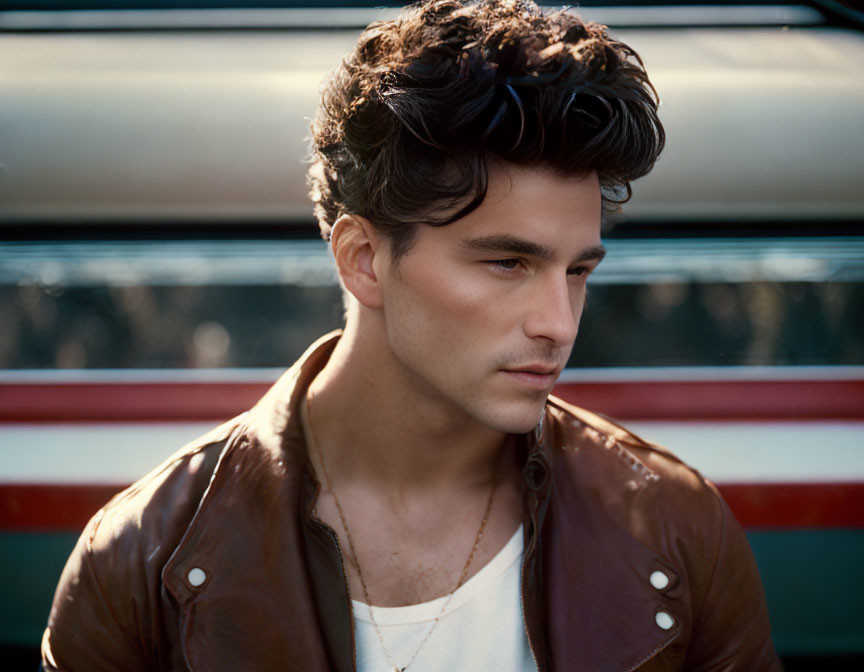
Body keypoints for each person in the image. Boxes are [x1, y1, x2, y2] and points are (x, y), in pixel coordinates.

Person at [41, 1, 781, 670]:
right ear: (364, 260)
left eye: (577, 271)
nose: (557, 324)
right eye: (507, 263)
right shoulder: (142, 560)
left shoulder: (675, 529)